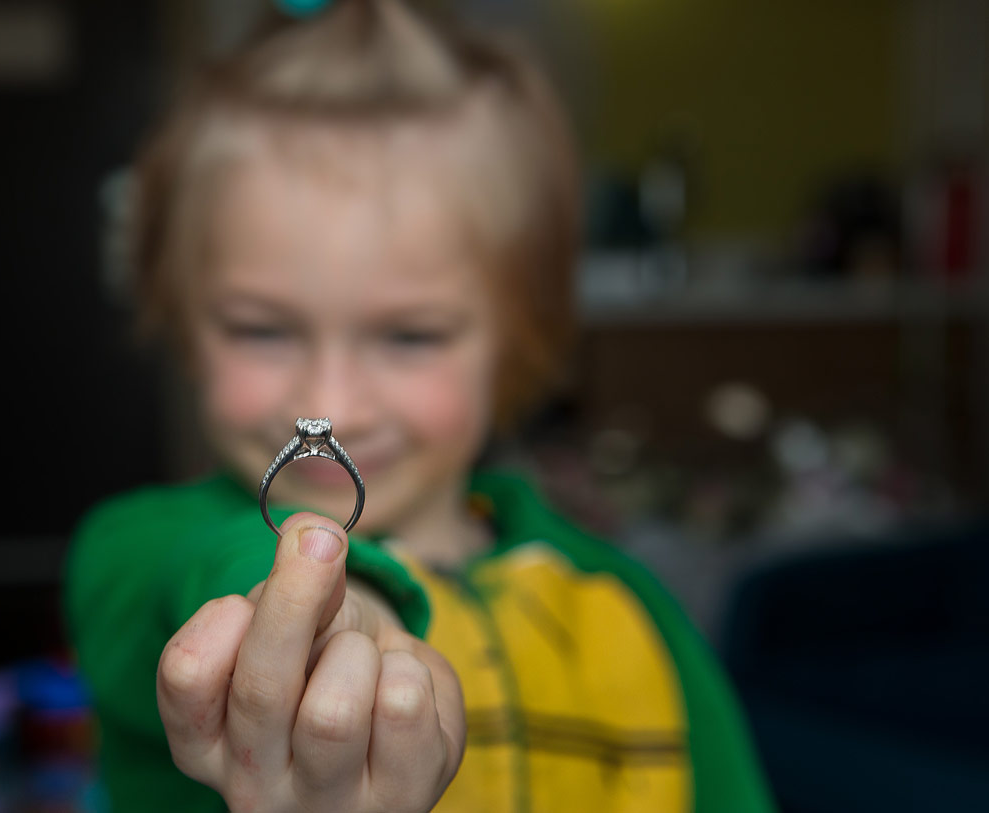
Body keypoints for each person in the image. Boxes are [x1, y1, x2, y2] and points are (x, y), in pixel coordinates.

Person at [63, 1, 775, 811]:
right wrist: (335, 616)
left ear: (517, 337)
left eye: (409, 337)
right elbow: (212, 570)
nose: (328, 404)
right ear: (183, 321)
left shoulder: (630, 607)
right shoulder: (132, 554)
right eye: (261, 329)